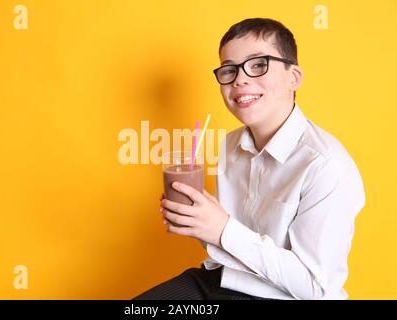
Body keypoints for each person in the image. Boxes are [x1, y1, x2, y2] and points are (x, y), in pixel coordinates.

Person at [133, 17, 365, 300]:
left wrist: (222, 229)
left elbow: (316, 288)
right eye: (229, 70)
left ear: (294, 77)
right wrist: (199, 222)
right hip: (223, 281)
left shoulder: (326, 165)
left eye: (258, 65)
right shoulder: (231, 145)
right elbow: (228, 247)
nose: (240, 78)